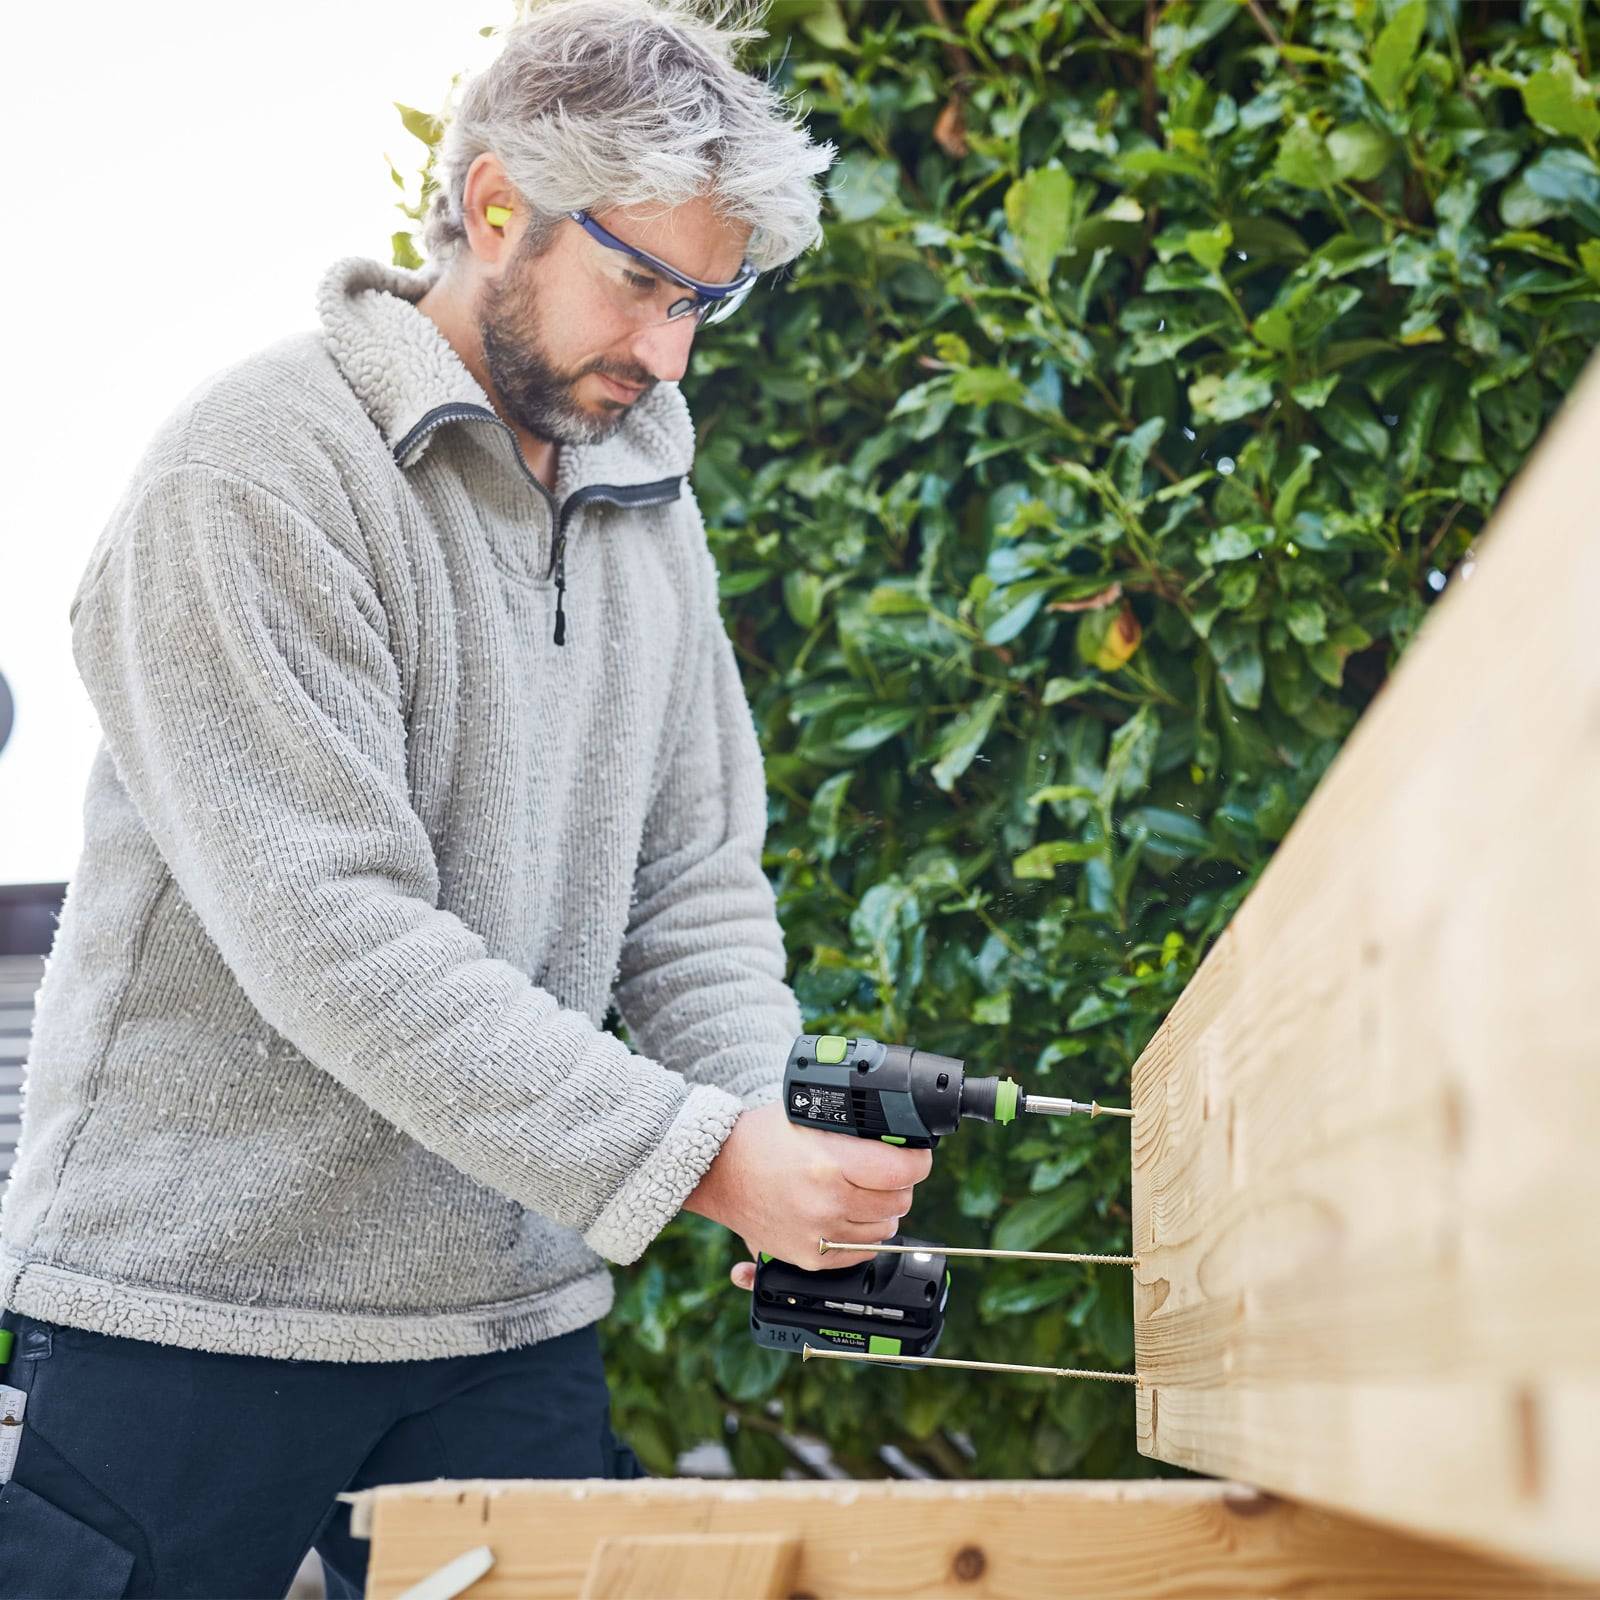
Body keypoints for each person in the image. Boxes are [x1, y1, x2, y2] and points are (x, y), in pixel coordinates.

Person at [0, 3, 933, 1594]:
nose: (669, 354)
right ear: (498, 205)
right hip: (191, 1311)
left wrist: (767, 1125)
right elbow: (335, 934)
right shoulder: (252, 473)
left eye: (705, 302)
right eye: (640, 284)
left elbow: (693, 888)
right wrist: (702, 1158)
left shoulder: (647, 500)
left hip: (507, 1319)